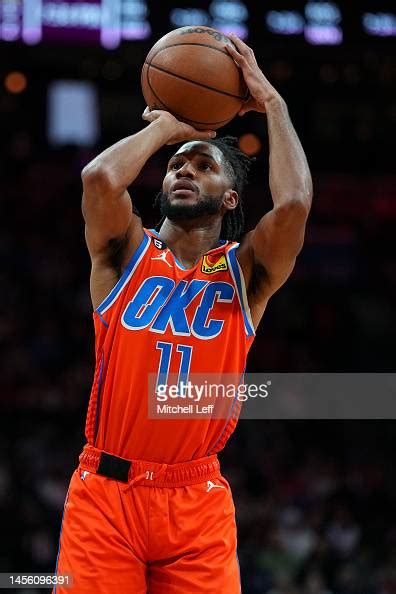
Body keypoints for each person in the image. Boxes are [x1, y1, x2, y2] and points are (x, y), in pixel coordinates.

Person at [53, 34, 312, 593]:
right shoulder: (125, 252)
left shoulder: (245, 275)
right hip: (105, 495)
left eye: (203, 165)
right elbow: (98, 179)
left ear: (231, 199)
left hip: (197, 502)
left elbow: (292, 206)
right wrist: (171, 128)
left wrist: (274, 106)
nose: (185, 171)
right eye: (176, 166)